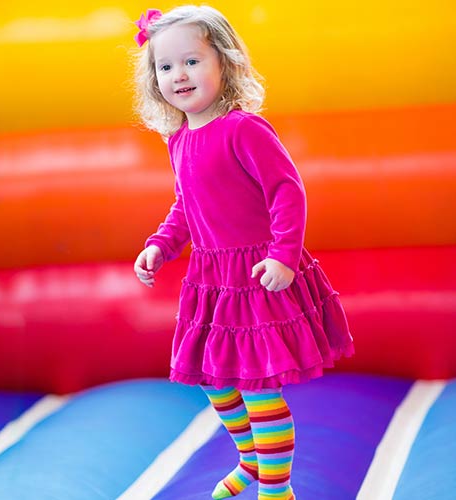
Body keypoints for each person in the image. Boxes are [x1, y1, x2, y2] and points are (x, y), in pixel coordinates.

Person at [132, 6, 354, 500]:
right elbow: (186, 206)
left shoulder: (243, 129)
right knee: (216, 382)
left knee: (257, 388)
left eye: (191, 61)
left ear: (225, 64)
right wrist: (159, 245)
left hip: (256, 274)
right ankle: (251, 463)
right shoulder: (179, 140)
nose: (179, 75)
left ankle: (277, 490)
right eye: (165, 67)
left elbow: (286, 191)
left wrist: (283, 256)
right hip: (213, 281)